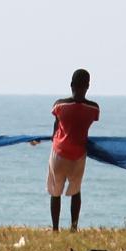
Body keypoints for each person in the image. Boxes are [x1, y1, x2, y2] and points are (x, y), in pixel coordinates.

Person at [48, 69, 100, 232]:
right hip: (78, 155)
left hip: (59, 154)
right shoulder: (94, 108)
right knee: (76, 191)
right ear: (88, 86)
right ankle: (74, 227)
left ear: (71, 85)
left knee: (55, 193)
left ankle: (55, 229)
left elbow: (56, 125)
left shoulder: (60, 105)